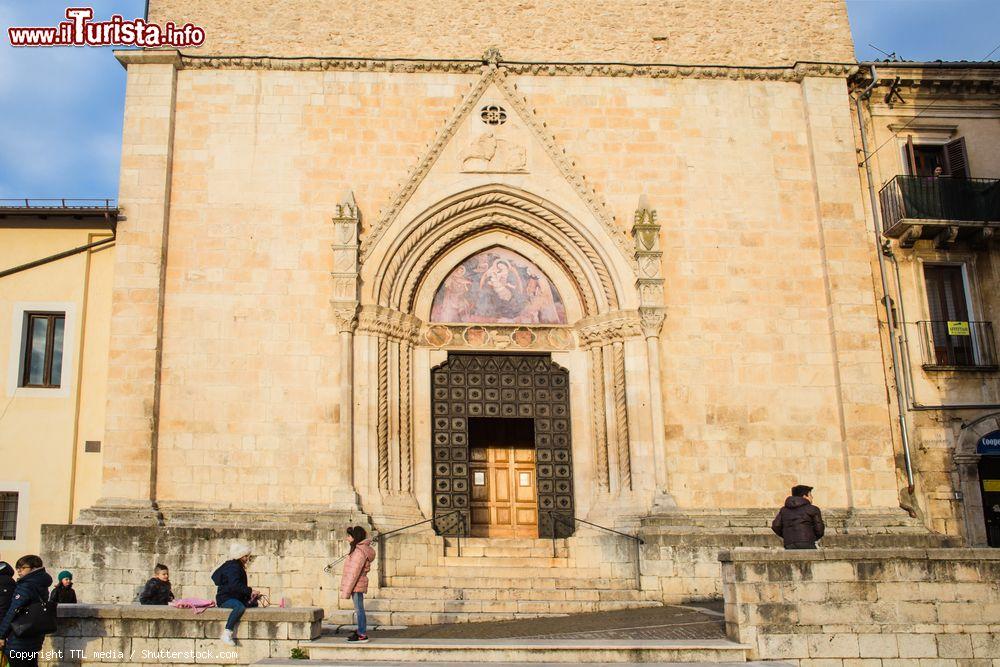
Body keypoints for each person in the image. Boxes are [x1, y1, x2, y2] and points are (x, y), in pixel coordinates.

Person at [0, 555, 53, 667]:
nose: (18, 570)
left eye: (23, 567)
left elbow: (12, 611)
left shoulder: (26, 585)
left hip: (19, 639)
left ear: (34, 568)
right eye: (17, 567)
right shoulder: (42, 583)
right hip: (34, 636)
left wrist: (1, 635)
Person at [212, 543, 261, 646]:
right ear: (240, 556)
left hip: (232, 596)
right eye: (246, 556)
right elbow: (235, 585)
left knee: (253, 604)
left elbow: (236, 587)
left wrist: (250, 595)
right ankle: (227, 632)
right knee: (239, 607)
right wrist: (250, 591)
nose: (247, 558)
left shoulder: (234, 566)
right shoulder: (233, 567)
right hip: (225, 599)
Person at [340, 526, 376, 644]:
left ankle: (362, 634)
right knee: (359, 608)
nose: (347, 538)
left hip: (356, 584)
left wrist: (347, 591)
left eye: (349, 536)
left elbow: (353, 573)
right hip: (357, 584)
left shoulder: (359, 552)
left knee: (359, 609)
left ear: (355, 537)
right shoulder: (358, 550)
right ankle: (360, 631)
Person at [771, 484, 825, 549]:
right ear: (805, 496)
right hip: (808, 542)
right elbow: (819, 530)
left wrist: (787, 535)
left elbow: (776, 526)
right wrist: (812, 537)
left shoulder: (783, 510)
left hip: (789, 544)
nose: (812, 497)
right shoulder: (813, 509)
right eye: (810, 495)